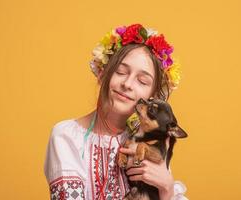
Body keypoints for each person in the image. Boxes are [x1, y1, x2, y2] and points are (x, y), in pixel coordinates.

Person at [44, 23, 188, 200]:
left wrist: (166, 188)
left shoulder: (147, 143)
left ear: (153, 95)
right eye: (120, 71)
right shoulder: (66, 136)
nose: (127, 84)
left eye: (142, 81)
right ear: (103, 73)